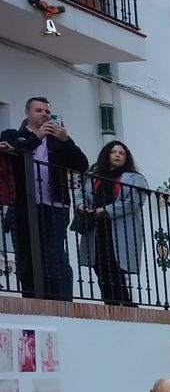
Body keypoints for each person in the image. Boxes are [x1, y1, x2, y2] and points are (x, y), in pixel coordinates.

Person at [0, 96, 89, 300]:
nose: (44, 115)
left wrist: (67, 140)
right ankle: (33, 299)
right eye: (38, 110)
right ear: (27, 113)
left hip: (55, 205)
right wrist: (37, 136)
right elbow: (18, 153)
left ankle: (61, 301)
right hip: (23, 205)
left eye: (47, 111)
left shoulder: (58, 141)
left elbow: (81, 165)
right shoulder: (13, 135)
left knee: (54, 254)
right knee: (26, 254)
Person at [74, 140, 147, 306]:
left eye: (121, 153)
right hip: (96, 227)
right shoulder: (94, 178)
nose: (117, 155)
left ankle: (125, 303)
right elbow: (81, 194)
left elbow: (133, 202)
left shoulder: (135, 178)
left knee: (115, 265)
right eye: (114, 152)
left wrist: (106, 210)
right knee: (99, 265)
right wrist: (81, 206)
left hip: (120, 228)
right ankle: (110, 302)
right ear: (107, 155)